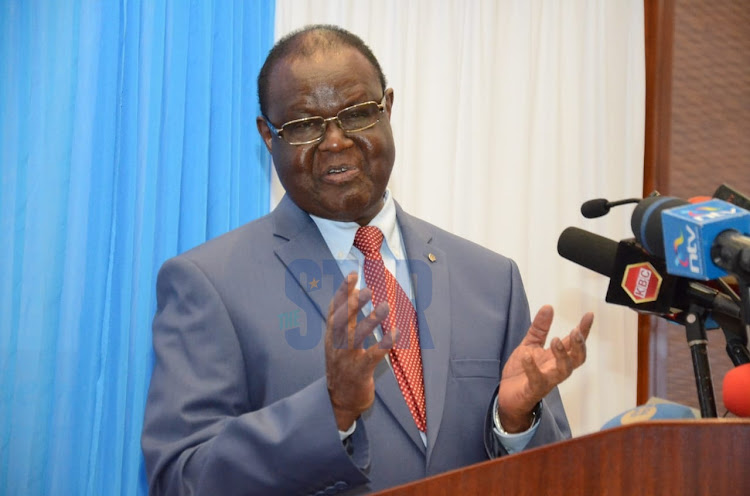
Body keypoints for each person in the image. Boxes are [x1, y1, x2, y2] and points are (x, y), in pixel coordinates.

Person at [141, 24, 594, 496]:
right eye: (303, 125)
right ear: (268, 136)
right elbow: (181, 478)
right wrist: (331, 410)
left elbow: (553, 471)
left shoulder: (490, 280)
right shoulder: (210, 283)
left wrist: (515, 420)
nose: (335, 142)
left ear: (388, 110)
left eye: (357, 114)